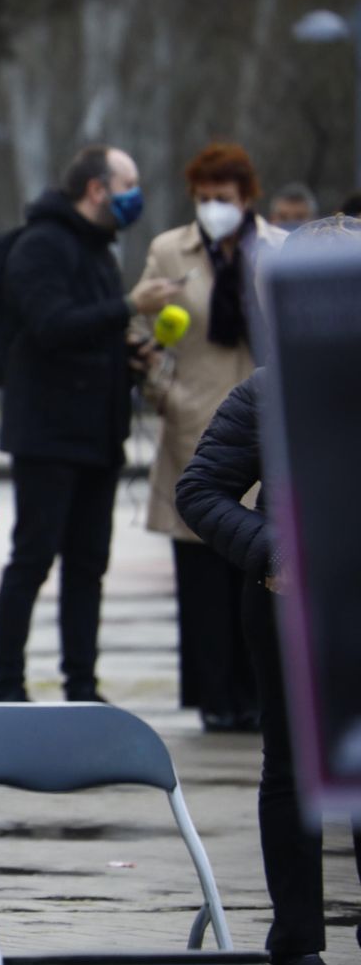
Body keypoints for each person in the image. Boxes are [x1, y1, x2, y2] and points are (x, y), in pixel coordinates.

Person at [177, 299, 361, 965]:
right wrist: (273, 548)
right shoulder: (268, 391)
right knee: (292, 770)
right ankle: (297, 944)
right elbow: (199, 491)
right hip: (295, 607)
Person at [0, 145, 182, 703]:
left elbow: (86, 335)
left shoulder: (98, 250)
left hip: (98, 433)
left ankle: (82, 684)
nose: (133, 196)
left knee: (88, 566)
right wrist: (128, 307)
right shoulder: (41, 244)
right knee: (33, 558)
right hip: (48, 435)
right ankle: (7, 685)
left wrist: (128, 356)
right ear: (97, 189)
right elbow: (50, 326)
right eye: (128, 183)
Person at [133, 143, 284, 732]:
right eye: (203, 198)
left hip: (266, 417)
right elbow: (141, 330)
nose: (212, 208)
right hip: (195, 422)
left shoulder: (277, 250)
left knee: (260, 564)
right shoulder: (170, 250)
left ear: (246, 197)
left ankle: (256, 693)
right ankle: (215, 698)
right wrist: (163, 393)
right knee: (200, 573)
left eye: (223, 198)